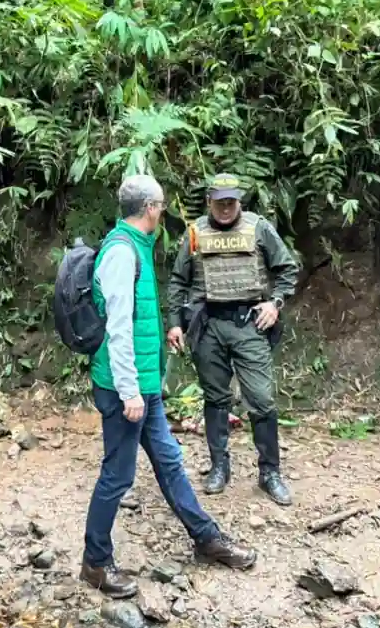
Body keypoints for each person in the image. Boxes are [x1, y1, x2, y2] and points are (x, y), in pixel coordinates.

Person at [80, 174, 257, 599]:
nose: (163, 211)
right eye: (161, 205)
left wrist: (147, 385)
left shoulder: (135, 247)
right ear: (151, 209)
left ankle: (206, 537)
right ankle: (95, 563)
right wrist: (129, 393)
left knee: (170, 462)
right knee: (117, 476)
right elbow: (119, 330)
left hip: (144, 388)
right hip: (126, 391)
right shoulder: (122, 254)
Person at [166, 174, 300, 506]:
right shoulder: (195, 232)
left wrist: (275, 303)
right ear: (209, 201)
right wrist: (175, 324)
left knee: (262, 399)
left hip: (249, 324)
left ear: (239, 201)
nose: (226, 208)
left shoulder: (259, 228)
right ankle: (219, 467)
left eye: (231, 201)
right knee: (215, 398)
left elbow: (287, 270)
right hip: (207, 325)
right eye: (219, 201)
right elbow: (178, 281)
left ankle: (270, 473)